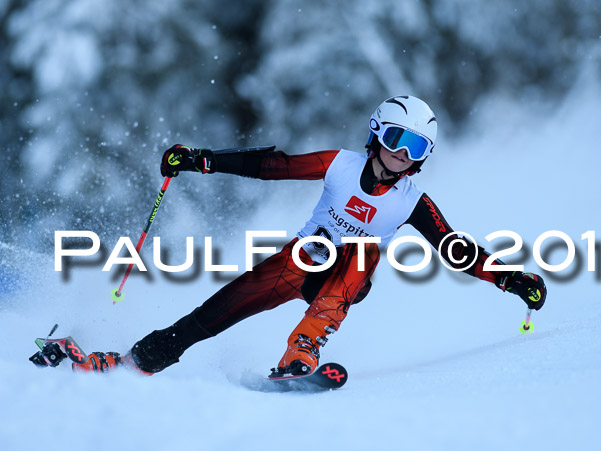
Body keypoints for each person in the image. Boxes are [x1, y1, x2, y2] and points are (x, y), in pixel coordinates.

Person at [70, 95, 547, 376]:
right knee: (213, 314)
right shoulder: (339, 165)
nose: (402, 154)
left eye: (416, 147)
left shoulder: (410, 202)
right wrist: (202, 158)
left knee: (363, 252)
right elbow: (273, 166)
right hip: (299, 262)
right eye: (396, 139)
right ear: (377, 133)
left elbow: (455, 249)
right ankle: (137, 362)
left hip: (344, 282)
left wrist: (509, 279)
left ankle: (303, 347)